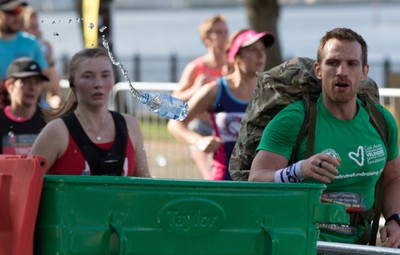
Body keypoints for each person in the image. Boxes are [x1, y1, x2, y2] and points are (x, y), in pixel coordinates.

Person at [249, 28, 400, 247]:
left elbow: (394, 178)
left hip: (362, 245)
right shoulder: (294, 119)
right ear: (318, 70)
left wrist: (395, 220)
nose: (342, 71)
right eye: (333, 62)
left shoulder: (381, 120)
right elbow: (256, 179)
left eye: (352, 63)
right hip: (305, 244)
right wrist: (298, 171)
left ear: (364, 71)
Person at [168, 29, 274, 180]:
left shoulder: (271, 92)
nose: (260, 55)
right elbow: (175, 123)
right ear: (235, 56)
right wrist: (199, 140)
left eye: (262, 49)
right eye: (252, 49)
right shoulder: (215, 90)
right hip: (224, 179)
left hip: (261, 181)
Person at [30, 47, 150, 177]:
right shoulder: (56, 131)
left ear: (114, 80)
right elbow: (27, 182)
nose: (98, 84)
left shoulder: (130, 125)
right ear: (72, 83)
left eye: (105, 75)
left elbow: (146, 184)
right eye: (88, 76)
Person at [171, 14, 228, 179]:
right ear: (207, 38)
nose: (224, 36)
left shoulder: (233, 65)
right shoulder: (196, 67)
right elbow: (175, 99)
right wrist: (195, 88)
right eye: (218, 32)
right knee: (196, 131)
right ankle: (208, 179)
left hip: (226, 124)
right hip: (203, 125)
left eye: (225, 31)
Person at [0, 0, 58, 107]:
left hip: (27, 112)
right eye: (11, 12)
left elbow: (51, 86)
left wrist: (51, 61)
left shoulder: (31, 43)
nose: (17, 16)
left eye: (19, 11)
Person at [0, 57, 48, 154]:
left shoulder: (50, 121)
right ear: (9, 86)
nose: (33, 87)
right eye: (25, 82)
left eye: (37, 82)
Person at [22, 5, 62, 109]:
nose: (37, 32)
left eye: (37, 27)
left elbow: (55, 88)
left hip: (37, 108)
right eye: (32, 27)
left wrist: (50, 59)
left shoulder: (41, 49)